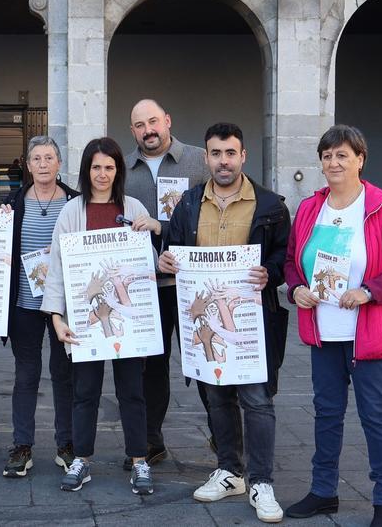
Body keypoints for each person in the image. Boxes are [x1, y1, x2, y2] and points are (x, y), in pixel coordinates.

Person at [283, 125, 382, 527]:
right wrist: (296, 289)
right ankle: (323, 491)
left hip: (369, 334)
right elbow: (292, 261)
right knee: (326, 413)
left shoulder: (381, 208)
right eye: (327, 156)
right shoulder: (310, 209)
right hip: (323, 332)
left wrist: (369, 291)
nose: (334, 163)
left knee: (375, 415)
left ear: (360, 159)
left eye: (342, 155)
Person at [158, 123, 290, 522]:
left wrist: (271, 272)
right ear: (207, 158)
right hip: (204, 322)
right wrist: (166, 260)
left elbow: (284, 257)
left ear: (243, 156)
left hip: (250, 320)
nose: (223, 161)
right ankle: (230, 471)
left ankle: (262, 481)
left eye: (230, 153)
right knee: (217, 397)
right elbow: (173, 247)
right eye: (216, 154)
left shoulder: (270, 206)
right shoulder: (188, 203)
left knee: (257, 399)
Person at [124, 99, 242, 471]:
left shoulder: (199, 161)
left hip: (196, 286)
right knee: (151, 367)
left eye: (153, 121)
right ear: (133, 131)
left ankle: (226, 440)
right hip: (146, 286)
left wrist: (161, 227)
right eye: (140, 125)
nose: (148, 130)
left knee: (208, 358)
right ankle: (151, 441)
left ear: (168, 121)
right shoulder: (123, 169)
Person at [40, 137, 163, 495]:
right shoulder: (71, 211)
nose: (103, 174)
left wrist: (155, 230)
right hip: (85, 318)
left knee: (132, 391)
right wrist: (57, 318)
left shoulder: (134, 207)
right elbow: (57, 266)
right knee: (85, 392)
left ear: (118, 170)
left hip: (126, 318)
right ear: (86, 170)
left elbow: (150, 263)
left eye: (109, 167)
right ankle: (82, 459)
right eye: (96, 167)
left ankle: (139, 461)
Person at [0, 136, 79, 477]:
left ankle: (67, 444)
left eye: (49, 157)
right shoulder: (12, 202)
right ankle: (22, 445)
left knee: (65, 374)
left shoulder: (76, 202)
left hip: (64, 304)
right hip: (25, 303)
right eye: (36, 158)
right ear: (28, 165)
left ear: (59, 163)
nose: (43, 163)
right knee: (26, 374)